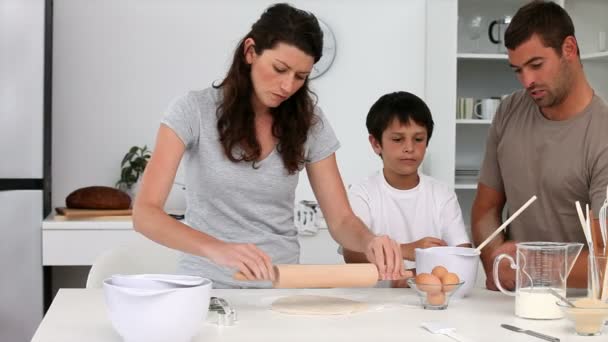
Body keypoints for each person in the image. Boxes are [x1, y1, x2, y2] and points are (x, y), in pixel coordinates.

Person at [132, 3, 406, 289]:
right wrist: (219, 249)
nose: (288, 86)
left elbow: (340, 220)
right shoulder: (192, 110)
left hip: (280, 287)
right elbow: (145, 214)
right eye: (279, 69)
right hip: (205, 285)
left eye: (300, 77)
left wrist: (369, 241)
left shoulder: (311, 123)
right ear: (250, 52)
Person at [472, 0, 608, 291]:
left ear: (569, 49)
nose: (527, 81)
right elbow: (485, 210)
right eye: (517, 70)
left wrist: (530, 265)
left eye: (536, 65)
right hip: (514, 299)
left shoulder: (602, 133)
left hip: (582, 308)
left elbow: (604, 259)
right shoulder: (509, 111)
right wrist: (496, 263)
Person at [343, 91, 472, 286]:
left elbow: (462, 251)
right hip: (375, 301)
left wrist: (413, 276)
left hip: (430, 298)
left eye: (418, 139)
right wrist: (407, 250)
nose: (409, 148)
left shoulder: (442, 194)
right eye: (397, 139)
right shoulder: (362, 193)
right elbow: (352, 253)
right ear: (376, 143)